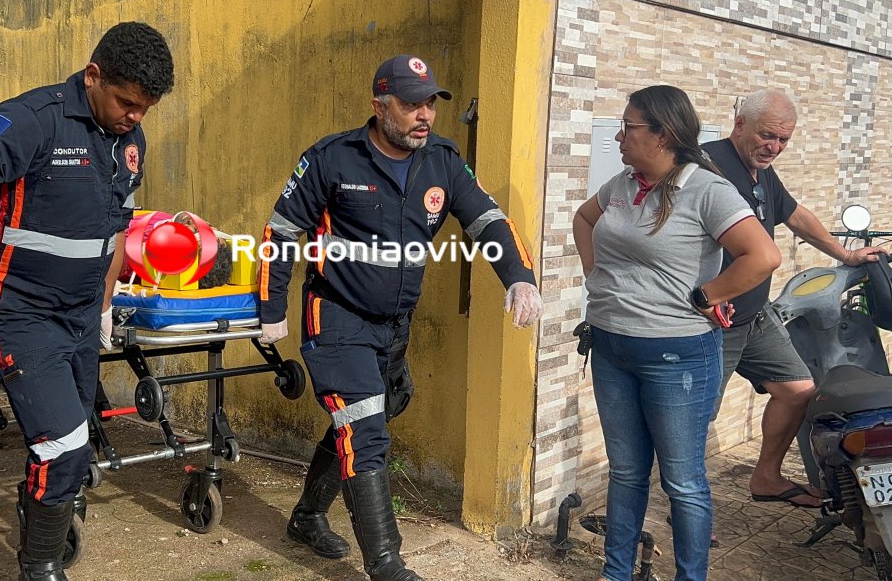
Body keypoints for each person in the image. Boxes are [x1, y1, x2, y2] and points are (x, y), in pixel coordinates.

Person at [258, 54, 543, 581]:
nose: (424, 115)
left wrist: (519, 277)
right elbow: (281, 233)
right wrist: (271, 308)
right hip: (337, 315)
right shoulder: (332, 158)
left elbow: (488, 221)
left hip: (394, 324)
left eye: (430, 103)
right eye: (412, 103)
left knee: (369, 412)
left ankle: (305, 516)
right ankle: (387, 565)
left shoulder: (443, 160)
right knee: (365, 432)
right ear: (379, 105)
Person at [0, 22, 173, 580]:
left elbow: (115, 233)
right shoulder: (32, 120)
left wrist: (103, 307)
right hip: (18, 309)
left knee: (74, 437)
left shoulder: (129, 142)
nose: (135, 117)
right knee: (65, 443)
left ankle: (42, 516)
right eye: (127, 102)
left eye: (146, 109)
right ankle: (40, 567)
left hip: (79, 314)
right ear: (93, 75)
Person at [572, 85, 780, 581]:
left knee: (682, 481)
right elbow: (584, 219)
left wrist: (707, 296)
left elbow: (763, 256)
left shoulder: (708, 190)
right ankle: (616, 573)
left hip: (678, 356)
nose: (621, 136)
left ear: (663, 135)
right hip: (611, 348)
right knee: (625, 473)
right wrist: (596, 277)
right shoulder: (625, 184)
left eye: (630, 127)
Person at [703, 89, 883, 507]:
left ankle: (766, 478)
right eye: (768, 136)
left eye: (783, 140)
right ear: (740, 123)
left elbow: (795, 214)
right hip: (717, 319)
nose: (775, 147)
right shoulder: (708, 165)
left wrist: (846, 253)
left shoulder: (760, 170)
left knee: (799, 391)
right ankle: (689, 510)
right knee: (695, 421)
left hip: (755, 315)